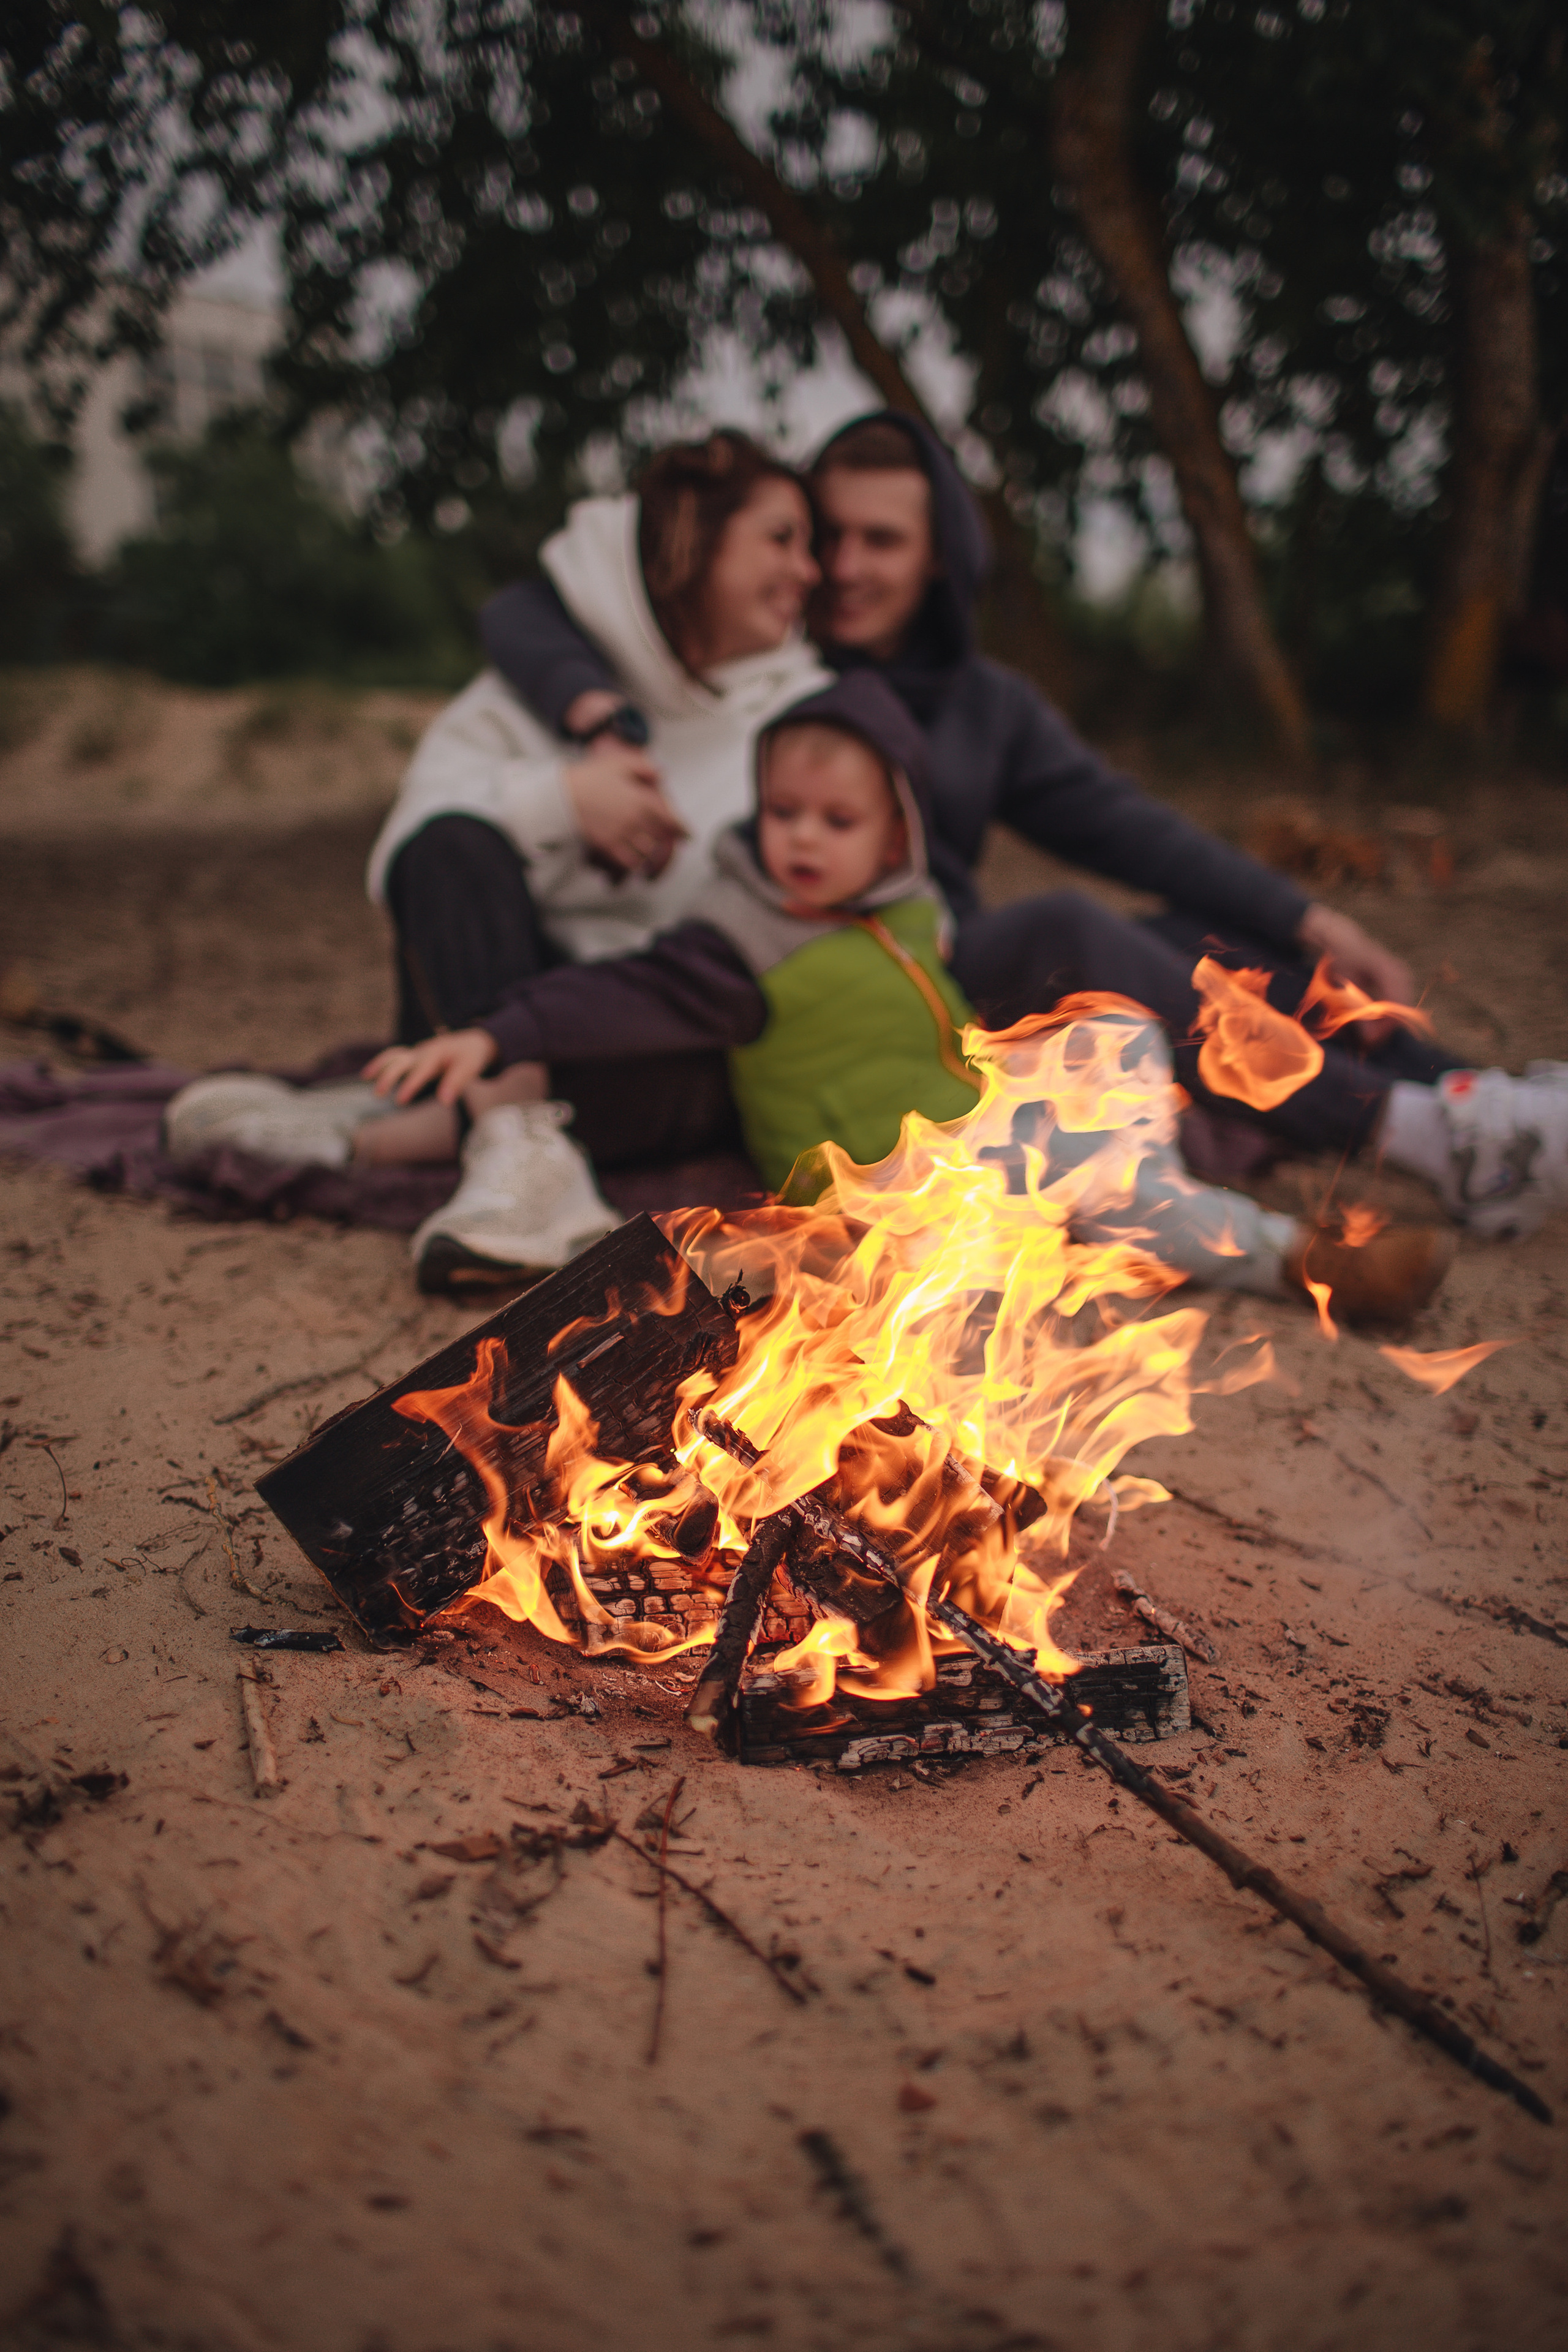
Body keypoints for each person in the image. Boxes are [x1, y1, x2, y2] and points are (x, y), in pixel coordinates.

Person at [480, 412, 1568, 1242]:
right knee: (1068, 929)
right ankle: (1415, 1132)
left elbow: (1121, 821)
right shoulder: (764, 661)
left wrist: (1311, 910)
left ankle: (1471, 1094)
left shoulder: (983, 701)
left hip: (933, 964)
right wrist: (597, 714)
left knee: (1218, 935)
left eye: (881, 540)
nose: (843, 566)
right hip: (831, 986)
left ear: (941, 554)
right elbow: (530, 606)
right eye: (828, 535)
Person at [361, 671, 1453, 1324]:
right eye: (782, 811)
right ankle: (1299, 1262)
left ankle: (1139, 1181)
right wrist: (495, 1032)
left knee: (1111, 1022)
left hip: (975, 1124)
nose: (799, 838)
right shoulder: (742, 940)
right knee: (1101, 1178)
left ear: (895, 834)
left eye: (835, 821)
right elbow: (614, 997)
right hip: (893, 1181)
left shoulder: (913, 907)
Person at [162, 431, 829, 1290]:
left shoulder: (798, 710)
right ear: (692, 538)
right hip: (480, 1007)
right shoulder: (538, 685)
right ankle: (515, 1152)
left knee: (721, 1061)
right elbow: (411, 852)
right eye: (781, 539)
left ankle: (361, 1135)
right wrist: (562, 800)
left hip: (636, 1031)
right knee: (452, 841)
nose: (809, 572)